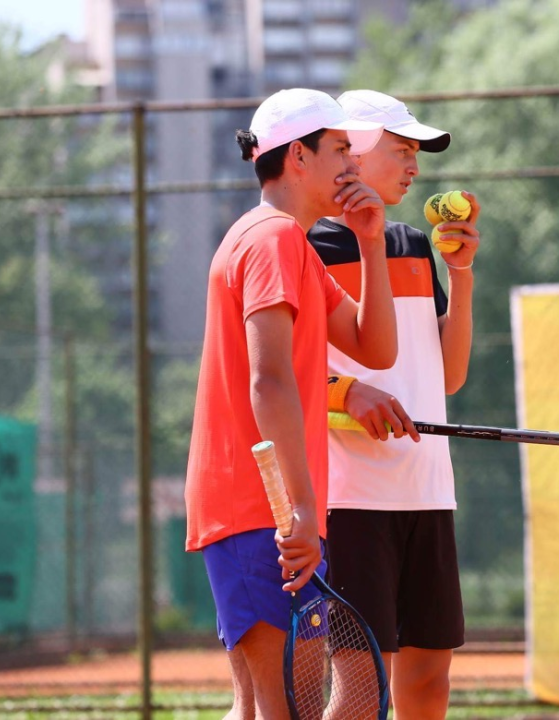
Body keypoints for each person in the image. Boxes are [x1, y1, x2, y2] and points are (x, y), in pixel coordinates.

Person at [184, 87, 399, 719]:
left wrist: (370, 241)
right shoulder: (272, 238)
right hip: (263, 508)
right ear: (296, 157)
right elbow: (268, 381)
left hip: (261, 507)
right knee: (285, 708)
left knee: (259, 708)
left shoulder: (289, 242)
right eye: (338, 150)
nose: (353, 165)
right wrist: (299, 510)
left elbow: (373, 346)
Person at [308, 89, 481, 719]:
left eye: (417, 153)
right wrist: (350, 394)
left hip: (428, 490)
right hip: (351, 498)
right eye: (402, 149)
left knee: (429, 680)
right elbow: (288, 372)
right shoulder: (307, 245)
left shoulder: (411, 243)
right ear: (350, 149)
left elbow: (451, 373)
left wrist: (459, 274)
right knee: (362, 690)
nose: (414, 166)